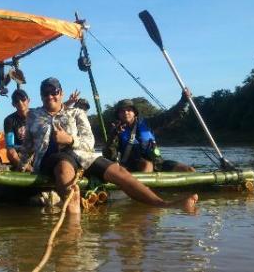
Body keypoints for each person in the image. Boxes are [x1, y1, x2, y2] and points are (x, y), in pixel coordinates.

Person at [19, 77, 198, 214]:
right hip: (53, 159)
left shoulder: (77, 113)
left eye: (54, 92)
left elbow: (89, 142)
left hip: (83, 156)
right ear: (41, 96)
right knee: (65, 169)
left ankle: (163, 204)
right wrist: (22, 166)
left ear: (61, 93)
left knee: (120, 172)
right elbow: (27, 146)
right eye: (45, 93)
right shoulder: (33, 116)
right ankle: (72, 232)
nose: (50, 96)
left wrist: (70, 140)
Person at [103, 94, 195, 172]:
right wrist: (114, 135)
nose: (126, 113)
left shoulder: (148, 123)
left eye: (129, 110)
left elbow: (169, 116)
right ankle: (144, 192)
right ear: (118, 115)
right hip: (133, 166)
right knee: (147, 165)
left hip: (158, 163)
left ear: (134, 112)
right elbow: (109, 156)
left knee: (189, 170)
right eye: (122, 111)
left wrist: (183, 101)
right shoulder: (116, 131)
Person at [3, 89, 30, 168]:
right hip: (19, 153)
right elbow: (10, 145)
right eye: (16, 101)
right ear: (13, 104)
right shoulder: (9, 120)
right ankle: (29, 169)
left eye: (23, 99)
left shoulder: (37, 116)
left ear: (28, 100)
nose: (20, 103)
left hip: (36, 152)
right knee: (10, 152)